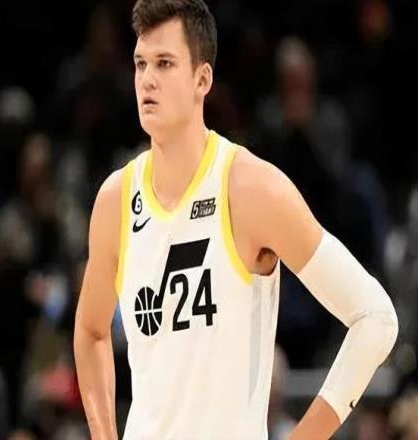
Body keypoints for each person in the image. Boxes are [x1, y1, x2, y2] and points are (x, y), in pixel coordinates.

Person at [73, 1, 399, 439]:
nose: (147, 79)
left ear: (202, 79)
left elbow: (375, 318)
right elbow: (91, 331)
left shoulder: (251, 189)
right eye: (140, 63)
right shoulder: (115, 199)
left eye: (165, 63)